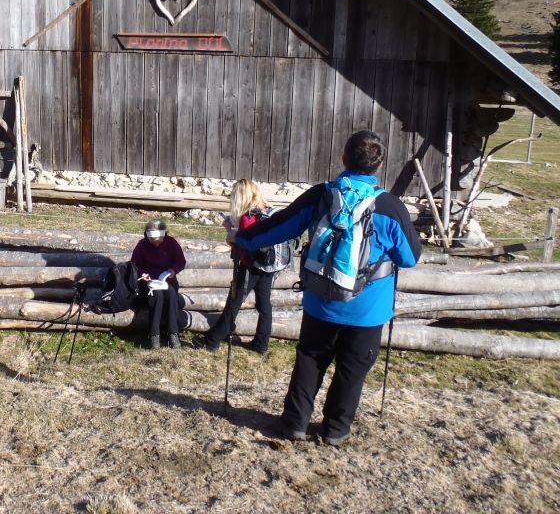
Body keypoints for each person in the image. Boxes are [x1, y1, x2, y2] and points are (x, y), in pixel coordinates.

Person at [232, 130, 420, 446]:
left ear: (344, 158)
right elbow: (410, 257)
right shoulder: (390, 207)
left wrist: (241, 239)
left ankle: (294, 423)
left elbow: (279, 227)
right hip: (368, 310)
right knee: (352, 370)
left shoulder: (321, 196)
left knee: (310, 359)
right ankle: (335, 430)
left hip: (320, 301)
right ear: (380, 165)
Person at [193, 179, 275, 354]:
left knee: (234, 303)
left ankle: (212, 340)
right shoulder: (266, 209)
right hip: (268, 266)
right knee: (264, 305)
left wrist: (230, 231)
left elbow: (241, 244)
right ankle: (261, 344)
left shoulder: (248, 217)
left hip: (250, 266)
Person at [131, 219, 186, 349]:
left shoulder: (171, 243)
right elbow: (135, 265)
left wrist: (173, 270)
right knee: (157, 296)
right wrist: (143, 275)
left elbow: (180, 261)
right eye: (153, 241)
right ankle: (154, 334)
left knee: (172, 295)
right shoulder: (142, 245)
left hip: (167, 280)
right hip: (149, 283)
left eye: (159, 241)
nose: (156, 244)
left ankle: (173, 332)